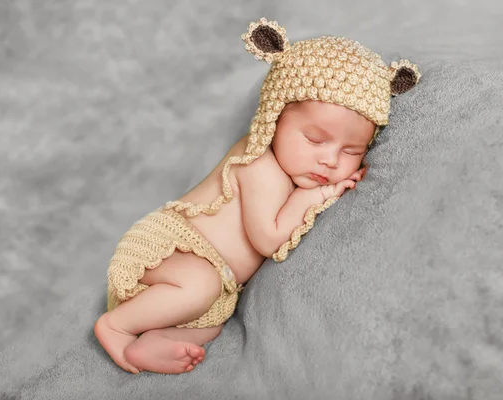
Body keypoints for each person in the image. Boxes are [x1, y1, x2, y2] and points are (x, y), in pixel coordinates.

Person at [94, 17, 421, 375]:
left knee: (212, 321)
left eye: (352, 151)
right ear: (273, 118)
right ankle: (117, 325)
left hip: (211, 281)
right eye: (314, 139)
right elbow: (268, 239)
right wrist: (315, 196)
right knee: (198, 286)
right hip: (169, 254)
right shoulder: (258, 165)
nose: (329, 160)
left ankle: (155, 338)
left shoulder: (291, 170)